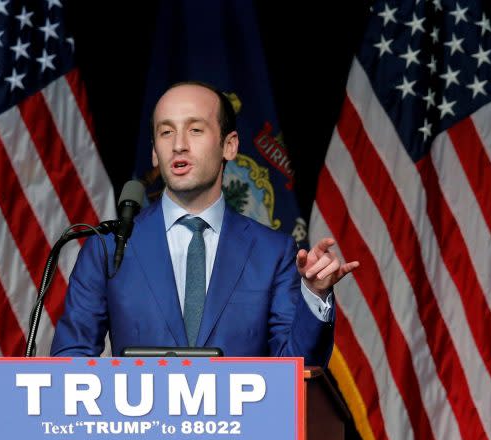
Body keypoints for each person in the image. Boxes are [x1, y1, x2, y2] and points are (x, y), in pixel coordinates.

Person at [51, 81, 359, 364]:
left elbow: (296, 369)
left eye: (195, 130)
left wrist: (315, 295)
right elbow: (70, 362)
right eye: (166, 131)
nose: (179, 145)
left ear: (230, 146)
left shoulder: (273, 253)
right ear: (155, 153)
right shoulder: (108, 247)